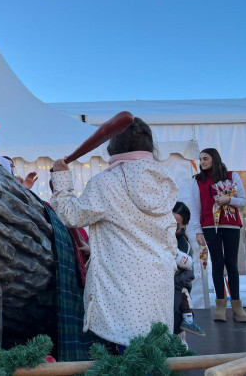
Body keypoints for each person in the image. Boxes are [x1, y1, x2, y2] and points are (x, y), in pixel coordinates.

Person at [50, 117, 177, 352]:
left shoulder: (106, 182)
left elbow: (70, 216)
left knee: (127, 360)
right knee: (153, 357)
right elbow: (146, 234)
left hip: (124, 292)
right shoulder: (163, 182)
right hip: (158, 287)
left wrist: (61, 180)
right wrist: (97, 248)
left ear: (113, 146)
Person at [187, 148, 246, 322]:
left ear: (214, 158)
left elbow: (243, 201)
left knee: (231, 264)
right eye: (200, 159)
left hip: (231, 225)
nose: (202, 162)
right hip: (209, 226)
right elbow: (195, 209)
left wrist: (229, 200)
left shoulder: (232, 176)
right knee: (217, 264)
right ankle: (220, 306)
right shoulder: (198, 181)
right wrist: (197, 231)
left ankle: (238, 307)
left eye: (205, 158)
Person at [172, 202, 205, 337]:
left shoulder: (183, 246)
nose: (171, 225)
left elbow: (185, 277)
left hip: (176, 292)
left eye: (177, 224)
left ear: (183, 225)